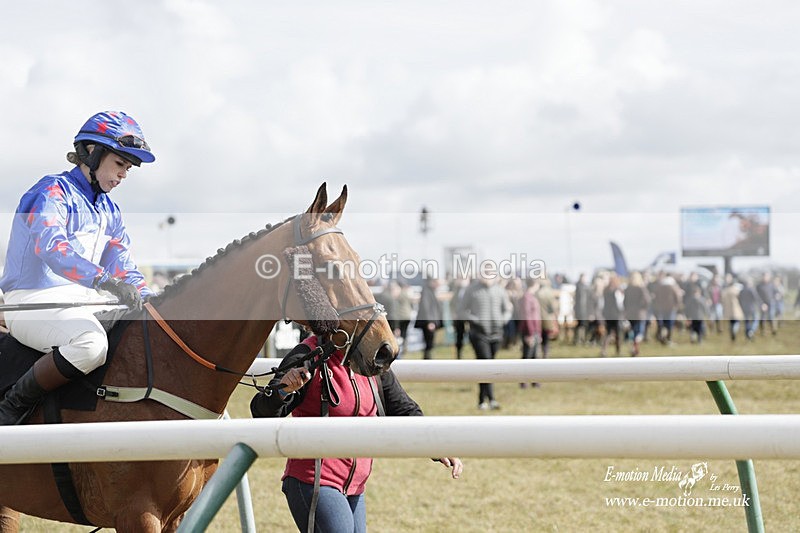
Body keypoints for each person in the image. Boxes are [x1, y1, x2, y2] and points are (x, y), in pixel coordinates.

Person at [0, 111, 155, 425]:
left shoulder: (109, 209)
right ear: (92, 153)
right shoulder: (51, 191)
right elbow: (52, 248)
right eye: (120, 164)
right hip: (30, 300)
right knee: (91, 345)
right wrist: (104, 280)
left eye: (128, 168)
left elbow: (124, 267)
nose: (124, 174)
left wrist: (154, 300)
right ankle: (13, 404)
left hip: (79, 299)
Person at [250, 333, 462, 532]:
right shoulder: (306, 353)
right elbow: (261, 411)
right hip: (313, 481)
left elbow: (404, 409)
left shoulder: (370, 359)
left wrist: (437, 444)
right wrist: (283, 390)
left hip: (355, 487)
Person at [459, 273, 513, 410]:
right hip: (479, 334)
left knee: (490, 366)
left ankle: (483, 399)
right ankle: (491, 399)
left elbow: (507, 309)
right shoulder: (471, 289)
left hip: (496, 334)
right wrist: (476, 320)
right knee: (485, 363)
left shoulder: (500, 290)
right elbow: (462, 310)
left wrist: (502, 320)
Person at [517, 278, 542, 388]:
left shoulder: (531, 297)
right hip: (529, 332)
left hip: (534, 331)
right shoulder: (527, 298)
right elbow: (527, 316)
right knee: (527, 357)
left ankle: (534, 380)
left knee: (534, 357)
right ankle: (524, 381)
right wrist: (530, 334)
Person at [413, 277, 443, 359]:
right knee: (428, 343)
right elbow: (426, 307)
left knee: (430, 343)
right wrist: (430, 322)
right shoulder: (426, 291)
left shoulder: (430, 291)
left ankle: (428, 359)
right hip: (428, 322)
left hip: (430, 322)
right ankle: (427, 360)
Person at [623, 271, 650, 356]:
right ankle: (635, 348)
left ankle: (634, 348)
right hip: (639, 313)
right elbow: (647, 300)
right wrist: (643, 307)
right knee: (639, 333)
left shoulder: (628, 288)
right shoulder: (641, 288)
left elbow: (625, 302)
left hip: (630, 313)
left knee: (633, 332)